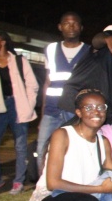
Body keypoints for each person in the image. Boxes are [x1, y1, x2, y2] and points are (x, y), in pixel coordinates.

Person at [36, 12, 90, 172]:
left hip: (75, 111)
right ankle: (43, 189)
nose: (71, 26)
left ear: (81, 28)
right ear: (60, 27)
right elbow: (47, 81)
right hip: (52, 110)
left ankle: (68, 189)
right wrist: (42, 113)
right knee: (42, 150)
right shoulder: (51, 49)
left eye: (75, 23)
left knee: (75, 152)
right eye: (67, 23)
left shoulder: (89, 51)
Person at [0, 32, 40, 194]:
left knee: (20, 146)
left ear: (2, 42)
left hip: (17, 105)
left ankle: (18, 181)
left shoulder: (19, 60)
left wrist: (28, 105)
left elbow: (32, 85)